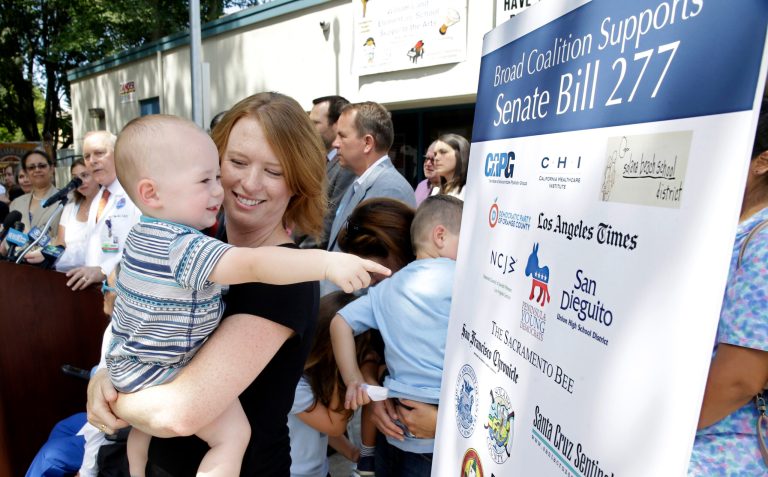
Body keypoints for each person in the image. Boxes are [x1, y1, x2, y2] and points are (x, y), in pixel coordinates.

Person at [84, 91, 370, 476]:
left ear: (297, 182)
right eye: (236, 162)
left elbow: (179, 414)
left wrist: (113, 395)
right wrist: (106, 375)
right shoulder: (194, 243)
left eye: (274, 172)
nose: (249, 183)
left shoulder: (288, 279)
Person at [331, 195, 463, 476]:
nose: (366, 284)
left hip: (399, 425)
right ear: (440, 235)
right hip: (433, 428)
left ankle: (366, 461)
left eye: (371, 273)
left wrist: (355, 381)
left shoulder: (385, 291)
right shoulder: (460, 277)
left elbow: (340, 322)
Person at [688, 100, 768, 475]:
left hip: (719, 451)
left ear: (762, 162)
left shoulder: (763, 243)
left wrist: (665, 432)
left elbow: (741, 379)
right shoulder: (724, 227)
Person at [288, 291, 367, 477]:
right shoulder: (294, 384)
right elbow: (333, 426)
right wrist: (343, 369)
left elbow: (320, 425)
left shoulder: (308, 375)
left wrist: (352, 452)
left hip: (317, 471)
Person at [326, 101, 416, 254]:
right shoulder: (359, 183)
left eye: (342, 136)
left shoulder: (390, 189)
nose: (335, 143)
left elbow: (380, 259)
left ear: (367, 143)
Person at [65, 131, 141, 291]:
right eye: (87, 156)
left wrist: (103, 270)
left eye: (99, 153)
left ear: (118, 154)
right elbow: (91, 246)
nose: (92, 161)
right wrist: (53, 255)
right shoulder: (98, 198)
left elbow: (143, 246)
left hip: (126, 292)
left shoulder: (135, 193)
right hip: (96, 292)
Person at [296, 95, 356, 250]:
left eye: (315, 123)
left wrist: (295, 253)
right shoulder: (315, 161)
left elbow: (330, 222)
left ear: (337, 124)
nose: (309, 129)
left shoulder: (346, 168)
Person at [1, 149, 60, 256]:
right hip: (16, 262)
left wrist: (43, 252)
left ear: (52, 168)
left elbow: (67, 242)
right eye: (31, 167)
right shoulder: (16, 203)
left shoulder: (67, 200)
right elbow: (10, 238)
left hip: (51, 263)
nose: (37, 170)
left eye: (42, 166)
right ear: (26, 172)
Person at [430, 133, 469, 201]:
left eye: (443, 152)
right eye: (435, 154)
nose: (436, 158)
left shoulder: (469, 191)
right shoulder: (435, 191)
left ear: (460, 154)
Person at [414, 141, 439, 206]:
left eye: (433, 160)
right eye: (427, 158)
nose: (428, 164)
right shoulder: (421, 185)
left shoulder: (452, 191)